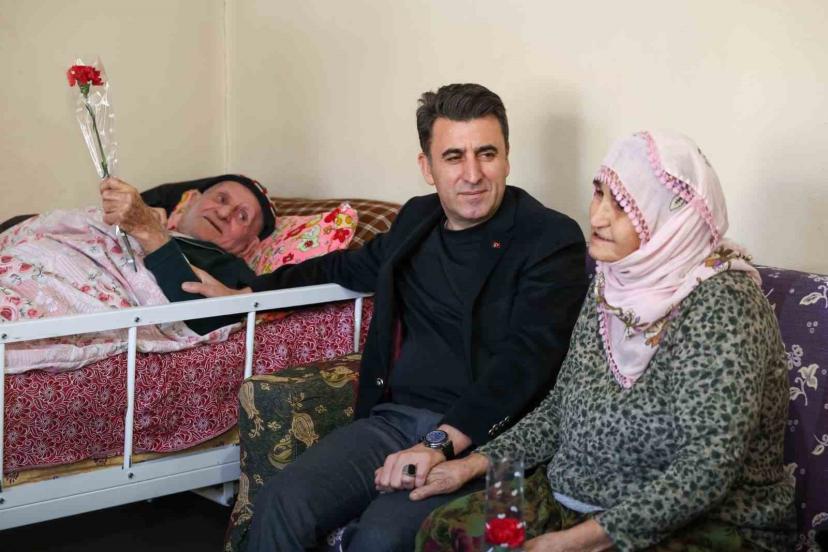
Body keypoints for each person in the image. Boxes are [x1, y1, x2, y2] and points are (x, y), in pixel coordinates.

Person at [185, 83, 589, 551]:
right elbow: (341, 267)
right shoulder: (417, 219)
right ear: (427, 167)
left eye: (487, 154)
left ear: (507, 158)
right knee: (282, 501)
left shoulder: (548, 237)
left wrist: (439, 442)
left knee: (379, 537)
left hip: (483, 438)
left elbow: (527, 361)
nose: (473, 174)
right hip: (392, 422)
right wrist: (247, 292)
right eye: (454, 157)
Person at [413, 130, 796, 551]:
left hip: (699, 523)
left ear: (670, 221)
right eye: (599, 194)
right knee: (446, 531)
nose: (596, 218)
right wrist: (471, 465)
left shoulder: (723, 303)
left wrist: (578, 542)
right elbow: (561, 408)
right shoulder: (611, 284)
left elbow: (708, 465)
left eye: (623, 206)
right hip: (572, 499)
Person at [99, 174, 277, 334]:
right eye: (221, 199)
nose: (223, 213)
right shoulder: (147, 221)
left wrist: (149, 233)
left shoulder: (232, 270)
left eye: (242, 216)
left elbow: (209, 323)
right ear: (192, 200)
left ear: (248, 246)